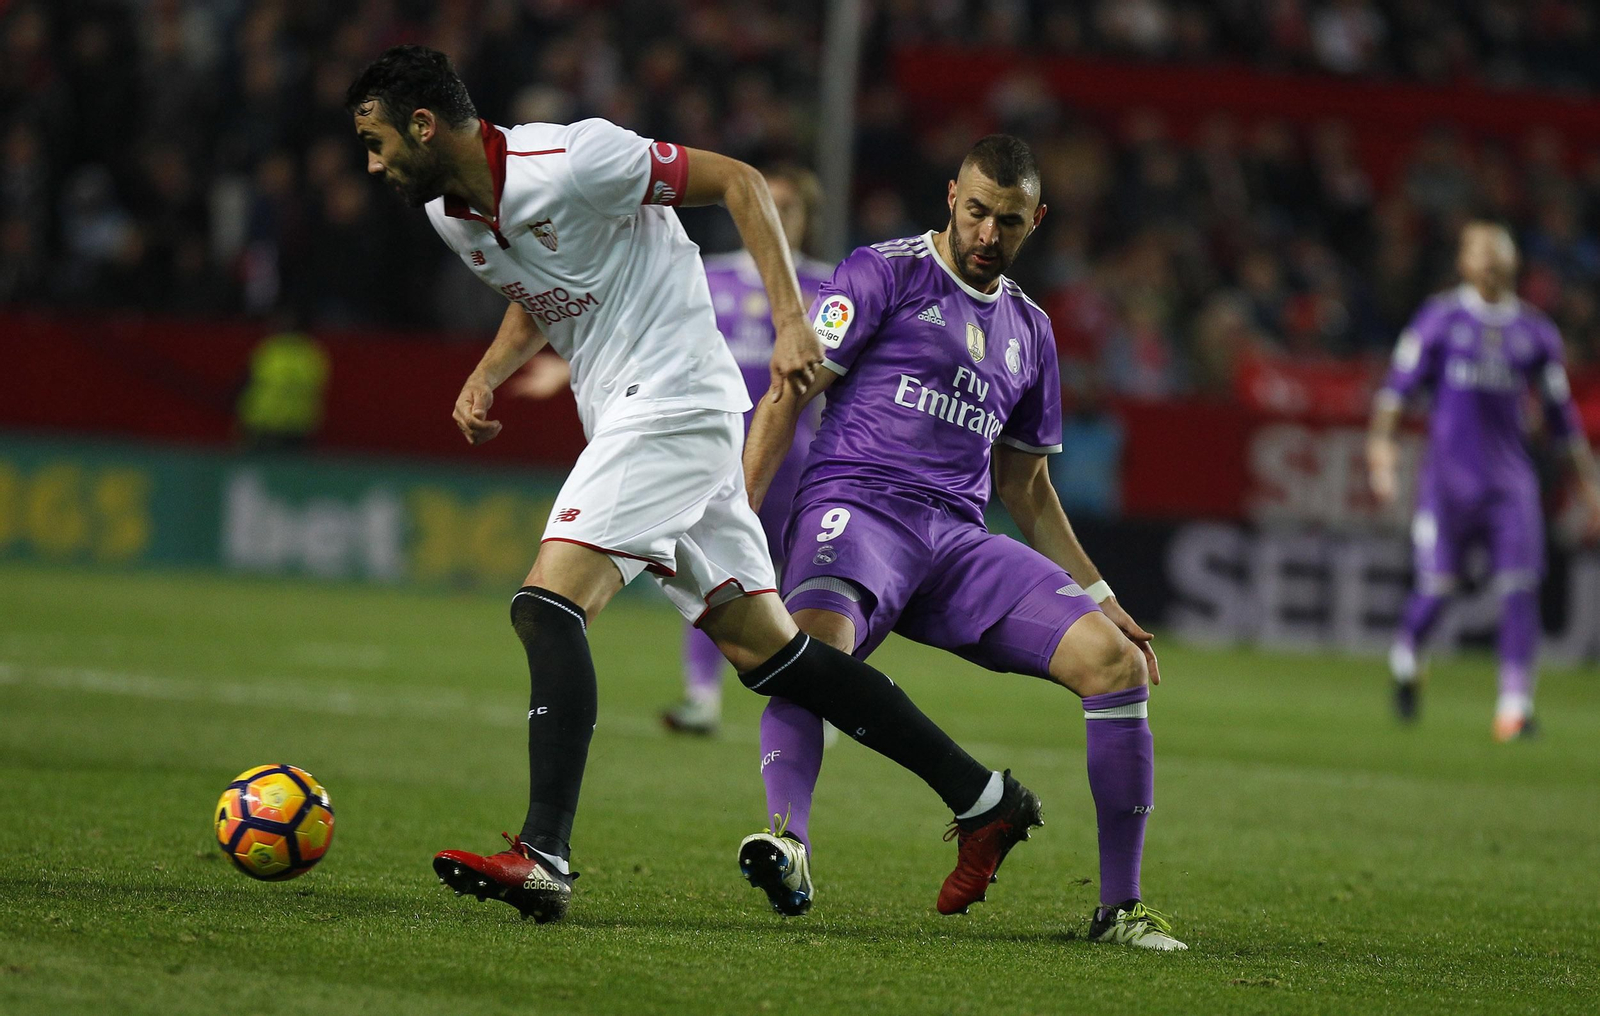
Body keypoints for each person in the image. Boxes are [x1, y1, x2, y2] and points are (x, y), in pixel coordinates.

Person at [345, 45, 1041, 924]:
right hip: (641, 415)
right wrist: (488, 371)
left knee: (547, 605)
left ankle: (543, 851)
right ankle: (986, 800)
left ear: (422, 123)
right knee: (779, 658)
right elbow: (543, 288)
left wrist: (793, 324)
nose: (372, 164)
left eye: (375, 141)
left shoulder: (571, 158)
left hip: (672, 398)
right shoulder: (454, 214)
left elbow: (742, 183)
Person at [737, 135, 1185, 950]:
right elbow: (788, 391)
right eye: (976, 211)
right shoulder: (885, 273)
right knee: (813, 649)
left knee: (1115, 666)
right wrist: (741, 515)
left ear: (1035, 221)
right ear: (951, 196)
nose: (987, 233)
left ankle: (1119, 908)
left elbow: (1027, 489)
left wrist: (1103, 600)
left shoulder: (1031, 331)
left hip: (956, 540)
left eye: (1008, 221)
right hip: (858, 508)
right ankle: (788, 840)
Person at [513, 166, 834, 735]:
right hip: (719, 454)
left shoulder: (826, 288)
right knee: (716, 576)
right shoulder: (709, 276)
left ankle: (826, 708)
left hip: (802, 460)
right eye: (773, 206)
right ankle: (701, 699)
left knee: (811, 582)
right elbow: (638, 327)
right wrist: (562, 368)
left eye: (791, 209)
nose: (780, 218)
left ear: (806, 219)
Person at [1368, 220, 1600, 740]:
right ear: (1464, 262)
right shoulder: (1440, 319)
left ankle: (1514, 708)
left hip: (1510, 483)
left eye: (1499, 248)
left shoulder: (1537, 332)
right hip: (1447, 483)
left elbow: (1563, 418)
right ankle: (1407, 658)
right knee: (1438, 589)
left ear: (1515, 259)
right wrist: (1379, 448)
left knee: (1520, 589)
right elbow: (1395, 391)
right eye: (1480, 249)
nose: (1491, 258)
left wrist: (1589, 484)